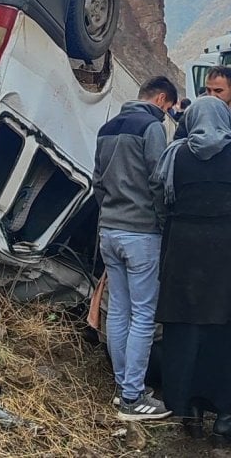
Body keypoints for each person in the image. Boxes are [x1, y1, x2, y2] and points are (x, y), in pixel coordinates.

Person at [153, 96, 231, 444]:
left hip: (186, 259)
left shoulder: (175, 156)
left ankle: (190, 411)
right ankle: (228, 419)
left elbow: (161, 203)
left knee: (189, 335)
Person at [93, 75, 177, 420]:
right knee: (144, 314)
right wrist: (162, 222)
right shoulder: (151, 127)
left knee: (120, 312)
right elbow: (159, 179)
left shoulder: (107, 127)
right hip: (141, 233)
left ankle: (122, 387)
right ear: (161, 100)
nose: (166, 115)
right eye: (168, 109)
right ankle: (133, 397)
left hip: (109, 230)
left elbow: (97, 180)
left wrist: (107, 212)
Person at [177, 66, 231, 145]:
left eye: (218, 91)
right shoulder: (192, 117)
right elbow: (179, 145)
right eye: (208, 90)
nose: (212, 95)